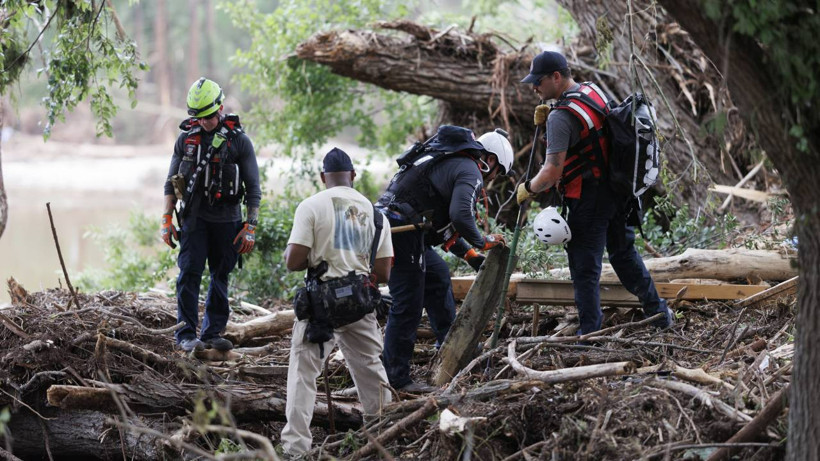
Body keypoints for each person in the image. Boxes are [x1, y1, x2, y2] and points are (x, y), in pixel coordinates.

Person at [516, 51, 673, 335]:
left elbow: (551, 173)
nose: (534, 88)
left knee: (584, 268)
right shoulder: (592, 90)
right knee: (624, 256)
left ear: (556, 77)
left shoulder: (561, 117)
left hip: (588, 199)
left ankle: (588, 334)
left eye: (537, 81)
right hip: (617, 191)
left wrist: (527, 188)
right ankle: (658, 312)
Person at [376, 125, 513, 392]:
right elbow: (461, 217)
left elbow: (444, 230)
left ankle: (450, 345)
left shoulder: (447, 161)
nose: (493, 179)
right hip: (400, 232)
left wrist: (474, 258)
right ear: (491, 161)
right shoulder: (469, 168)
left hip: (400, 228)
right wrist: (483, 242)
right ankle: (396, 379)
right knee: (408, 304)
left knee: (437, 276)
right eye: (498, 174)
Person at [280, 147, 393, 457]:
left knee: (303, 375)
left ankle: (295, 448)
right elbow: (383, 270)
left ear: (322, 177)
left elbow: (293, 261)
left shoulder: (311, 206)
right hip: (360, 302)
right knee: (371, 369)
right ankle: (384, 435)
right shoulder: (375, 212)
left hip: (321, 307)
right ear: (353, 176)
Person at [160, 77, 262, 352]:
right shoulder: (186, 139)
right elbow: (171, 181)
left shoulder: (239, 142)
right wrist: (166, 220)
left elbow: (253, 188)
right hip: (194, 219)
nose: (204, 122)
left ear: (220, 107)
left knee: (221, 275)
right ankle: (185, 336)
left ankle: (212, 332)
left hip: (228, 220)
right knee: (188, 274)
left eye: (208, 116)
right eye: (199, 117)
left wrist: (250, 226)